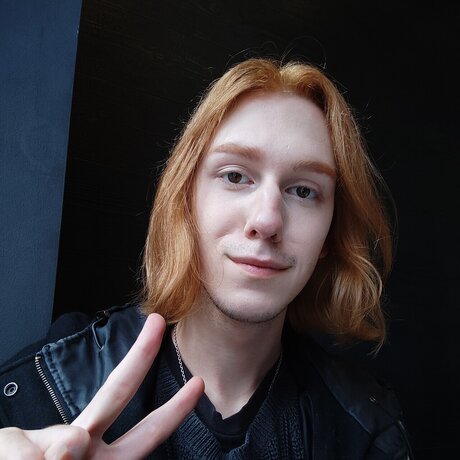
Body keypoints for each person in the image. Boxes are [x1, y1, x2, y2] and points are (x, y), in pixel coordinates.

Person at [0, 58, 412, 459]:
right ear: (186, 201)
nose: (267, 220)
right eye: (235, 176)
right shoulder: (44, 391)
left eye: (304, 191)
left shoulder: (366, 432)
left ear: (329, 234)